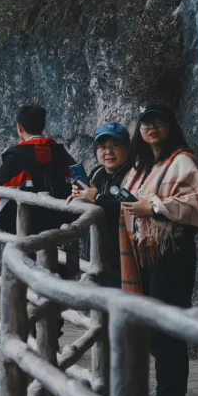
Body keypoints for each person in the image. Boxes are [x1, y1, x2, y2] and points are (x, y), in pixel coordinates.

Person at [118, 102, 198, 396]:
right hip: (146, 253)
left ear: (170, 125)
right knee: (153, 325)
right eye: (146, 122)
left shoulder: (183, 161)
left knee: (167, 326)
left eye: (159, 122)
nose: (151, 128)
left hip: (172, 253)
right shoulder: (141, 166)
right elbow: (123, 199)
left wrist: (156, 207)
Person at [0, 104, 78, 235]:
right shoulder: (60, 152)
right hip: (58, 228)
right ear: (44, 126)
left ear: (19, 127)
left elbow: (1, 195)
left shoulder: (15, 157)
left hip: (27, 230)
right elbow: (79, 182)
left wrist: (9, 225)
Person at [69, 121, 134, 288]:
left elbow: (128, 206)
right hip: (97, 250)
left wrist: (96, 197)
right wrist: (80, 197)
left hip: (124, 255)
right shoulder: (97, 172)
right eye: (103, 147)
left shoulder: (132, 174)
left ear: (127, 148)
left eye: (115, 145)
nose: (108, 152)